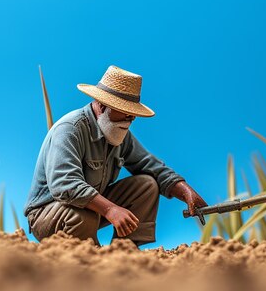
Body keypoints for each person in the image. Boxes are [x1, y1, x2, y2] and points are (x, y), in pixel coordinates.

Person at [24, 65, 207, 247]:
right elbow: (64, 184)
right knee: (82, 217)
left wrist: (185, 191)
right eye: (125, 112)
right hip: (48, 213)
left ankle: (125, 251)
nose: (130, 119)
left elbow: (150, 165)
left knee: (147, 186)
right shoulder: (70, 130)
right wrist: (110, 209)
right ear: (102, 106)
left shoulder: (119, 133)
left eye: (132, 114)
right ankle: (90, 259)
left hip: (89, 207)